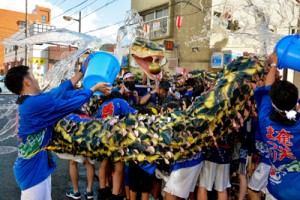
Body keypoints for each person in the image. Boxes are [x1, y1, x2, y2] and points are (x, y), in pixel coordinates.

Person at [4, 65, 111, 200]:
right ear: (27, 81)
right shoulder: (34, 103)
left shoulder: (29, 100)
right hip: (32, 170)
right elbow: (69, 104)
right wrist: (93, 89)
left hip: (36, 166)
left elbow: (59, 92)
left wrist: (82, 72)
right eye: (33, 76)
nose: (36, 80)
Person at [254, 50, 300, 199]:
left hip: (275, 189)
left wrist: (274, 63)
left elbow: (268, 88)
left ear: (273, 103)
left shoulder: (266, 121)